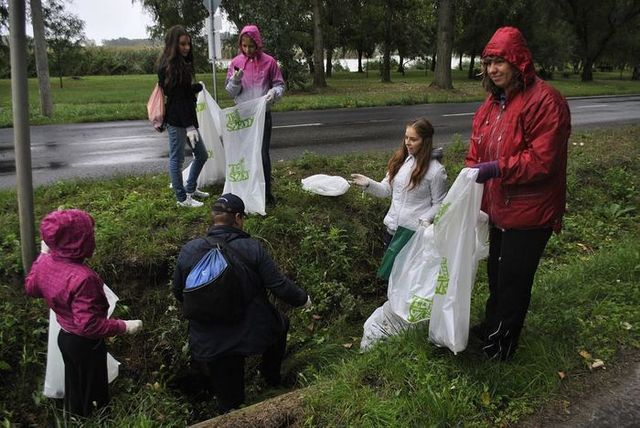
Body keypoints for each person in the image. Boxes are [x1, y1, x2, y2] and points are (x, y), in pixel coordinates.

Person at [465, 27, 571, 361]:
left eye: (500, 61)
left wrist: (496, 168)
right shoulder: (491, 105)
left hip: (531, 212)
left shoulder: (545, 101)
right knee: (496, 276)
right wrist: (469, 178)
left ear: (518, 61)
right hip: (499, 209)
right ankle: (492, 328)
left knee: (513, 280)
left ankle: (501, 348)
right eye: (489, 62)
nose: (493, 69)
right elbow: (476, 150)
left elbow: (543, 162)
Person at [172, 193, 310, 413]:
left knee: (231, 402)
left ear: (214, 217)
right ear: (238, 218)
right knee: (280, 324)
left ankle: (229, 407)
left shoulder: (190, 250)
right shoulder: (252, 248)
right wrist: (304, 300)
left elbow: (179, 293)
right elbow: (279, 285)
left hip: (208, 339)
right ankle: (271, 377)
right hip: (250, 329)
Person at [25, 209, 143, 416]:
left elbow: (31, 288)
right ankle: (97, 419)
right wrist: (125, 326)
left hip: (65, 336)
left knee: (74, 379)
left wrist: (43, 257)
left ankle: (74, 413)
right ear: (80, 242)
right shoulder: (83, 278)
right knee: (94, 388)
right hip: (85, 344)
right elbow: (88, 325)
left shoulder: (46, 263)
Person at [350, 117, 448, 247]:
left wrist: (424, 220)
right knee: (388, 268)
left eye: (413, 139)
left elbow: (440, 203)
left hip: (412, 236)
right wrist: (368, 183)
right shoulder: (400, 161)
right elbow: (386, 190)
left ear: (425, 141)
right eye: (406, 137)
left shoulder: (436, 171)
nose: (408, 142)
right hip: (391, 232)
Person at [225, 25, 285, 206]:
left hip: (262, 115)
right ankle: (243, 191)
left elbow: (280, 84)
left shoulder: (270, 62)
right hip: (243, 118)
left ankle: (266, 193)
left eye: (251, 46)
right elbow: (230, 92)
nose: (247, 50)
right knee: (243, 155)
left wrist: (274, 93)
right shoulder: (235, 62)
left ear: (258, 44)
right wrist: (235, 80)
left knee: (261, 154)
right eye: (244, 46)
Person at [157, 25, 209, 208]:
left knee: (202, 155)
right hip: (177, 121)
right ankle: (181, 198)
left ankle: (190, 188)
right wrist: (188, 127)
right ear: (174, 45)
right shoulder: (168, 67)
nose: (187, 47)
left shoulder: (182, 64)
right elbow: (177, 99)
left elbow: (182, 92)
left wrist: (196, 88)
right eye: (182, 44)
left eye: (188, 44)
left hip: (187, 120)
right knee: (176, 159)